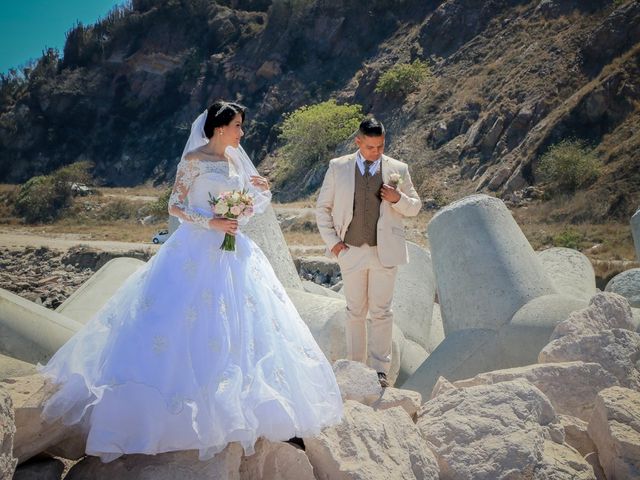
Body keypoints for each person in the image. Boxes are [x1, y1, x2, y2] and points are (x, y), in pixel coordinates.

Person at [38, 100, 343, 462]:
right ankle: (172, 419)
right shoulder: (194, 160)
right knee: (184, 324)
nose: (242, 133)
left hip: (233, 251)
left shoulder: (234, 161)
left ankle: (254, 414)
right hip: (195, 248)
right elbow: (175, 206)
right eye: (238, 126)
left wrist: (259, 192)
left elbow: (247, 203)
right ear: (219, 128)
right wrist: (210, 222)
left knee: (244, 324)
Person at [315, 117, 422, 388]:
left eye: (380, 146)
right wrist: (334, 244)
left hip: (384, 252)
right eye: (370, 146)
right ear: (358, 142)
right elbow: (322, 208)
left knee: (382, 312)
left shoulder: (398, 168)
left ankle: (379, 371)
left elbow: (415, 207)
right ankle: (354, 367)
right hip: (349, 250)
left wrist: (398, 199)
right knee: (355, 312)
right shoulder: (338, 168)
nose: (376, 151)